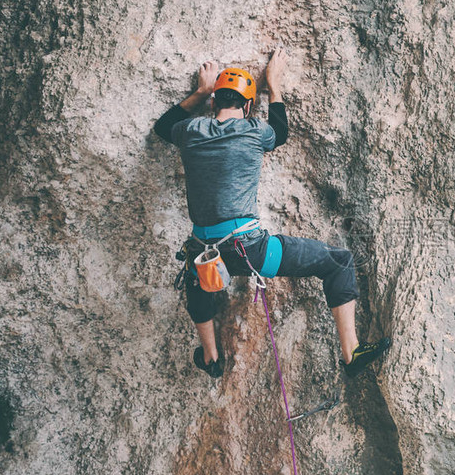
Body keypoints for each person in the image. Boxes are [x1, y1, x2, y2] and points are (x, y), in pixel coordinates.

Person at [154, 51, 390, 379]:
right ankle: (351, 352)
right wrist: (274, 86)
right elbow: (280, 132)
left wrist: (199, 92)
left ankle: (210, 356)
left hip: (206, 252)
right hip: (251, 251)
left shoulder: (191, 130)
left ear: (212, 104)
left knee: (196, 272)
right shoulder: (255, 131)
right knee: (337, 262)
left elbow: (163, 127)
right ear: (249, 106)